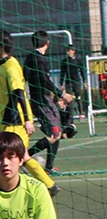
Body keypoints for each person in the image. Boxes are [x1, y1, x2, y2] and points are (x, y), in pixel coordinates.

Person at [0, 28, 61, 196]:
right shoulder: (5, 65)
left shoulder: (11, 66)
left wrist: (28, 120)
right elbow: (9, 96)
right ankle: (50, 186)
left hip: (15, 122)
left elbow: (19, 93)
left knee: (4, 157)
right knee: (18, 156)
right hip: (7, 120)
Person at [24, 30, 74, 175]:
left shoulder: (33, 58)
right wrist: (62, 94)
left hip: (44, 99)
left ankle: (49, 167)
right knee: (54, 133)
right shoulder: (37, 58)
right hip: (40, 100)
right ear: (47, 43)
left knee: (57, 131)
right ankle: (25, 156)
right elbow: (43, 81)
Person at [60, 44, 85, 118]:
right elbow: (62, 73)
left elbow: (82, 71)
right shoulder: (64, 61)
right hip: (68, 82)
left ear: (73, 51)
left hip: (76, 81)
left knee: (78, 97)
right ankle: (70, 114)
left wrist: (84, 81)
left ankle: (81, 113)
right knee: (69, 99)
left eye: (69, 51)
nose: (68, 52)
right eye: (67, 51)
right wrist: (61, 83)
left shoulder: (78, 61)